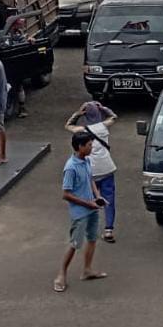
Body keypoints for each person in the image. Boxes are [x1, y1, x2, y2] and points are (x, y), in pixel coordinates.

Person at [53, 131, 107, 293]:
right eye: (89, 145)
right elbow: (66, 194)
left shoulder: (86, 161)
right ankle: (61, 274)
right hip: (80, 213)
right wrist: (88, 204)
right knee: (75, 243)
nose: (91, 147)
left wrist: (98, 197)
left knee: (92, 238)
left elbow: (90, 179)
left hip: (91, 209)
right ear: (80, 147)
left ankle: (87, 270)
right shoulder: (70, 168)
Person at [65, 102, 118, 242]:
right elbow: (113, 116)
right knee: (109, 199)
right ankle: (108, 230)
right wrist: (103, 108)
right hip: (106, 168)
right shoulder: (104, 126)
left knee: (89, 199)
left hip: (91, 171)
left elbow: (68, 125)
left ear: (86, 115)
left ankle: (88, 227)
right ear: (98, 114)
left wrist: (78, 113)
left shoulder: (82, 130)